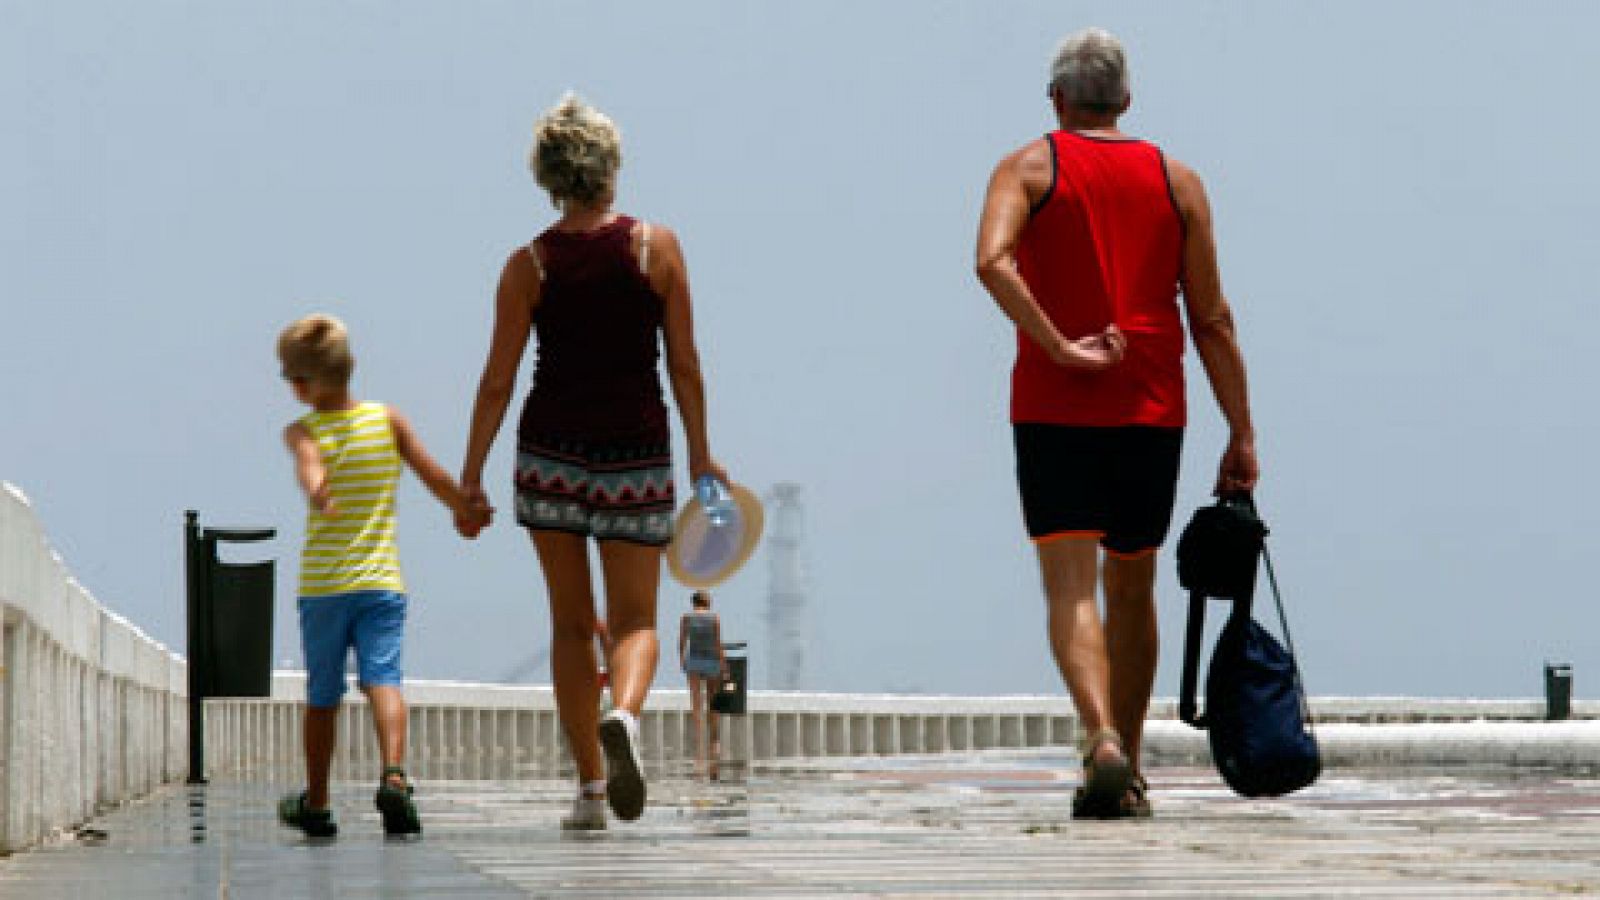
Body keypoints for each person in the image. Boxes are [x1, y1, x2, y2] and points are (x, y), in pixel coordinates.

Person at [974, 28, 1260, 819]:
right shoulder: (1178, 181)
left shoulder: (1029, 168)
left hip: (1052, 405)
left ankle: (1097, 735)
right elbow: (1213, 317)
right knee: (1132, 585)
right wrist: (1241, 430)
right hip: (1150, 407)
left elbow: (990, 260)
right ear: (1126, 101)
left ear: (1057, 99)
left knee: (1071, 591)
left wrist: (1057, 343)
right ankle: (1128, 766)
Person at [457, 94, 727, 831]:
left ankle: (588, 790)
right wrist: (702, 455)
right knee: (636, 617)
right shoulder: (656, 248)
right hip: (635, 450)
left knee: (571, 625)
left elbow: (497, 379)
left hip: (549, 456)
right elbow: (687, 364)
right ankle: (628, 717)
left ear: (547, 176)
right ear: (610, 169)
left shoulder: (529, 265)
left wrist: (470, 475)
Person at [274, 314, 488, 838]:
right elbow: (431, 472)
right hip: (382, 583)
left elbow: (308, 465)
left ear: (303, 384)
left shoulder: (303, 430)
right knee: (384, 681)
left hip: (324, 587)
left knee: (323, 696)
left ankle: (319, 803)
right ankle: (394, 774)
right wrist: (465, 506)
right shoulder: (388, 421)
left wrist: (319, 488)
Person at [677, 592, 728, 776]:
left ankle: (698, 740)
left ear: (693, 602)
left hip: (694, 660)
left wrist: (681, 659)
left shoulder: (686, 618)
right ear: (707, 602)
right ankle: (714, 739)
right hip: (712, 661)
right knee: (712, 701)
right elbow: (718, 643)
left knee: (696, 701)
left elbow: (682, 640)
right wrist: (724, 665)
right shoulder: (715, 618)